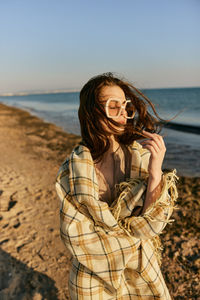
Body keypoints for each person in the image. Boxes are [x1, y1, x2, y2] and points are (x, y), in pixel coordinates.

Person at [55, 72, 178, 299]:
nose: (123, 114)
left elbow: (151, 225)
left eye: (125, 106)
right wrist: (130, 235)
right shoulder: (72, 170)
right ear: (92, 112)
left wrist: (155, 171)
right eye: (114, 106)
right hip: (92, 274)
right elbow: (76, 236)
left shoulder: (138, 158)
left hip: (141, 268)